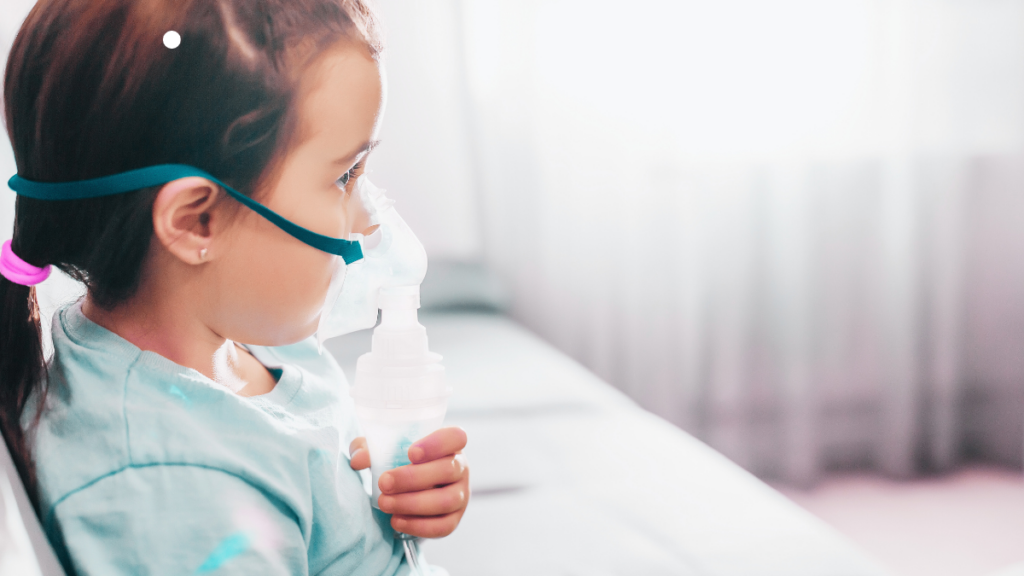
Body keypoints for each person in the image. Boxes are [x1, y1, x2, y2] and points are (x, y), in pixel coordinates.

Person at [0, 0, 469, 574]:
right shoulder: (168, 492)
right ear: (197, 221)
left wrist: (397, 509)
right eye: (344, 176)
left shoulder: (251, 336)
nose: (369, 219)